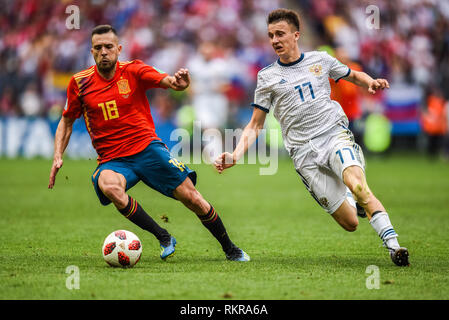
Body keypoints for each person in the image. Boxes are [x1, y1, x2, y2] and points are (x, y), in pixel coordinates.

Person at [214, 9, 409, 266]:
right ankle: (353, 200)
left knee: (360, 185)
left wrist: (369, 81)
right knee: (350, 223)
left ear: (296, 35)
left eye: (280, 34)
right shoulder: (267, 77)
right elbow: (255, 124)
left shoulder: (321, 60)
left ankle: (394, 246)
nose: (274, 40)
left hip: (332, 134)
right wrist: (236, 154)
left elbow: (352, 75)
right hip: (303, 154)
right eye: (271, 35)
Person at [48, 25, 249, 262]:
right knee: (110, 187)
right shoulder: (79, 83)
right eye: (98, 47)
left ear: (118, 49)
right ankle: (163, 236)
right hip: (113, 159)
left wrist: (180, 83)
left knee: (192, 198)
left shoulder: (134, 70)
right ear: (92, 51)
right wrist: (58, 155)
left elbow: (169, 81)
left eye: (109, 47)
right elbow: (67, 121)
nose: (104, 52)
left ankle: (230, 248)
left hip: (147, 149)